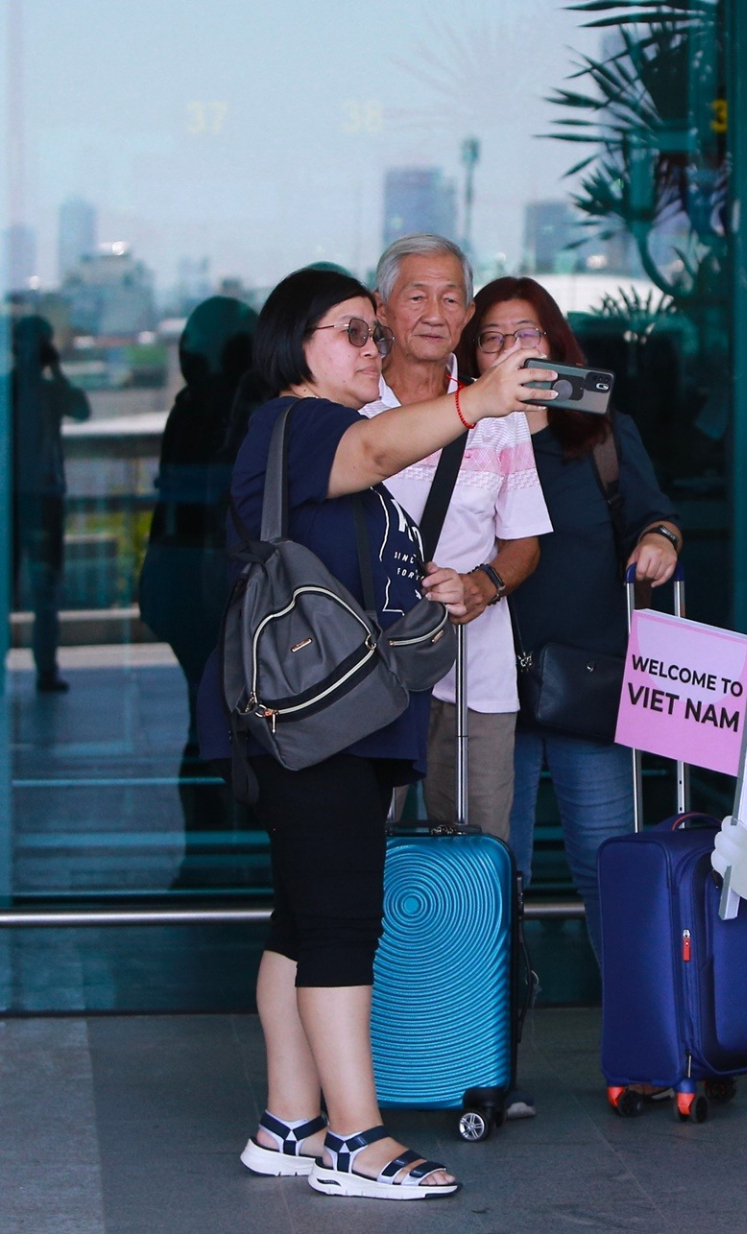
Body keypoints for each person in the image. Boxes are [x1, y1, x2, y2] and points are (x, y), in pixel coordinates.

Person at [197, 266, 553, 1200]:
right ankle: (355, 1139)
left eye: (373, 334)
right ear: (295, 342)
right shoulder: (299, 424)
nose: (372, 348)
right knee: (342, 923)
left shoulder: (319, 436)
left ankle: (289, 1123)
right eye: (352, 331)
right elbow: (374, 448)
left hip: (335, 723)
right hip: (316, 726)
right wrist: (480, 400)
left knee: (305, 920)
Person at [464, 278, 680, 961]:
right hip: (486, 685)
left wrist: (660, 541)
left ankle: (637, 1020)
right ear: (473, 356)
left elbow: (655, 516)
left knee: (607, 865)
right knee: (492, 874)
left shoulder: (602, 434)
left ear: (555, 344)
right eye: (493, 337)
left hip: (589, 684)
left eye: (526, 333)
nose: (510, 349)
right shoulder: (456, 437)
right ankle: (484, 1022)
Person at [363, 235, 550, 848]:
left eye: (450, 299)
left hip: (473, 670)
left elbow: (524, 543)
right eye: (416, 296)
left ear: (468, 315)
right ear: (381, 308)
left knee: (475, 849)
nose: (434, 313)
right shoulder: (350, 410)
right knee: (356, 850)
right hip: (363, 668)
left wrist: (482, 585)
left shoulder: (499, 413)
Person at [139, 296, 257, 839]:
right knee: (231, 717)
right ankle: (226, 836)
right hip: (211, 581)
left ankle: (207, 838)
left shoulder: (189, 405)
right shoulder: (232, 410)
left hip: (180, 576)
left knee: (204, 712)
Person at [9, 315, 90, 693]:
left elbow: (81, 410)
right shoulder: (11, 391)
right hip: (24, 500)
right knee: (33, 590)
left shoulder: (46, 390)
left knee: (45, 590)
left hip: (38, 499)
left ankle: (46, 669)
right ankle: (44, 670)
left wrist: (55, 371)